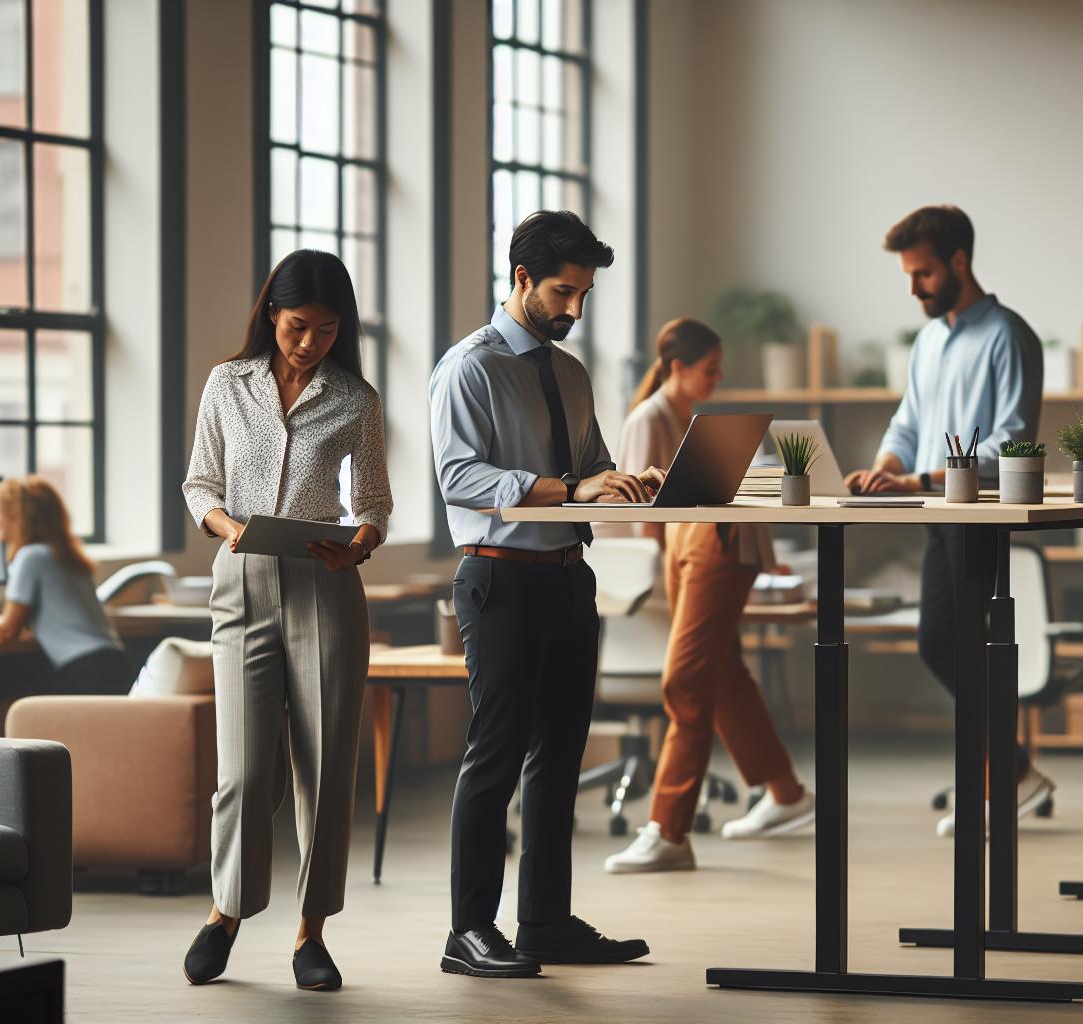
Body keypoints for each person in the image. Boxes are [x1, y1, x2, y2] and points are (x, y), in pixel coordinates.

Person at [430, 210, 662, 979]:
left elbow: (592, 468)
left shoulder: (570, 372)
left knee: (560, 758)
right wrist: (567, 486)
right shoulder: (470, 367)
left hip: (569, 579)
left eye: (585, 295)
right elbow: (459, 477)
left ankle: (545, 923)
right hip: (500, 577)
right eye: (564, 292)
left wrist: (632, 484)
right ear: (521, 278)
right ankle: (468, 931)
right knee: (493, 758)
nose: (575, 310)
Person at [178, 249, 391, 992]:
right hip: (240, 587)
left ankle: (312, 935)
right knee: (240, 771)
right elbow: (199, 481)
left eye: (327, 331)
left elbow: (373, 503)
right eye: (299, 326)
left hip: (324, 590)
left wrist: (359, 545)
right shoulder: (225, 385)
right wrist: (227, 526)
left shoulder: (355, 399)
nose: (309, 343)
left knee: (327, 771)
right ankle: (226, 911)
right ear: (272, 314)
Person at [846, 204, 1048, 837]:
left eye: (925, 273)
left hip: (981, 513)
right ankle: (1010, 771)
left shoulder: (1009, 337)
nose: (915, 288)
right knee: (944, 642)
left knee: (954, 643)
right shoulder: (930, 341)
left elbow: (1012, 443)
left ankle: (1001, 778)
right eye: (909, 275)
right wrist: (885, 466)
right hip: (937, 512)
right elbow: (908, 421)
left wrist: (918, 479)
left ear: (960, 261)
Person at [603, 319, 815, 874]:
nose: (719, 378)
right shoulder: (651, 418)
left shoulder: (687, 418)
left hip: (710, 547)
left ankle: (669, 829)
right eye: (710, 368)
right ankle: (786, 794)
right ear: (678, 368)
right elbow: (641, 515)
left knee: (693, 679)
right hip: (679, 554)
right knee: (713, 675)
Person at [0, 476, 128, 693]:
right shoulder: (64, 557)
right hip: (113, 661)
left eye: (0, 514)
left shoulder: (31, 557)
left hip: (85, 669)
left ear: (18, 519)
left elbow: (8, 629)